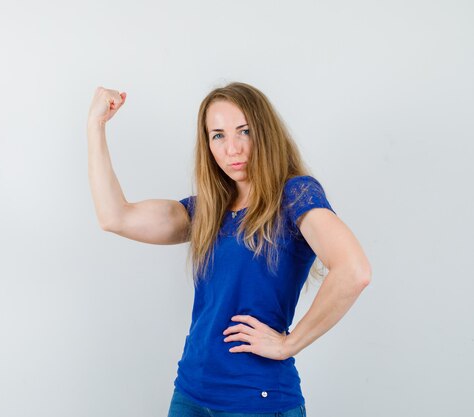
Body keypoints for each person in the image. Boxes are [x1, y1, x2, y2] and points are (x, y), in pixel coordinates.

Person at [86, 82, 372, 417]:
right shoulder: (207, 211)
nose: (232, 148)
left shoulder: (294, 195)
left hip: (258, 400)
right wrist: (96, 126)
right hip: (190, 394)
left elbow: (354, 270)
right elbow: (115, 217)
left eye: (244, 131)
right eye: (218, 135)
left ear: (265, 133)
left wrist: (287, 344)